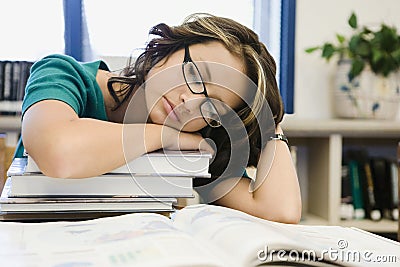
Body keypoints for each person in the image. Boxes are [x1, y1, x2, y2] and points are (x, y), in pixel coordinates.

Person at [16, 13, 301, 223]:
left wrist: (271, 123)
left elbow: (279, 212)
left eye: (212, 108)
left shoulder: (195, 141)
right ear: (171, 46)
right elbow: (58, 151)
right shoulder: (64, 74)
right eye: (194, 75)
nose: (189, 103)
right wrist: (163, 136)